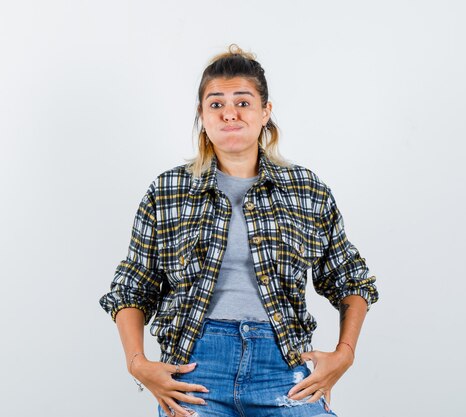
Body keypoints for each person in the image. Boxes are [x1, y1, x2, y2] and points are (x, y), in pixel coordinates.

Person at [99, 44, 379, 417]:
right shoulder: (166, 191)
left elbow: (350, 280)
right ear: (202, 115)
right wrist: (137, 363)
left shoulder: (307, 190)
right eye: (216, 104)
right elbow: (133, 286)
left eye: (243, 102)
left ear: (266, 112)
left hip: (282, 368)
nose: (229, 113)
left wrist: (344, 355)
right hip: (196, 369)